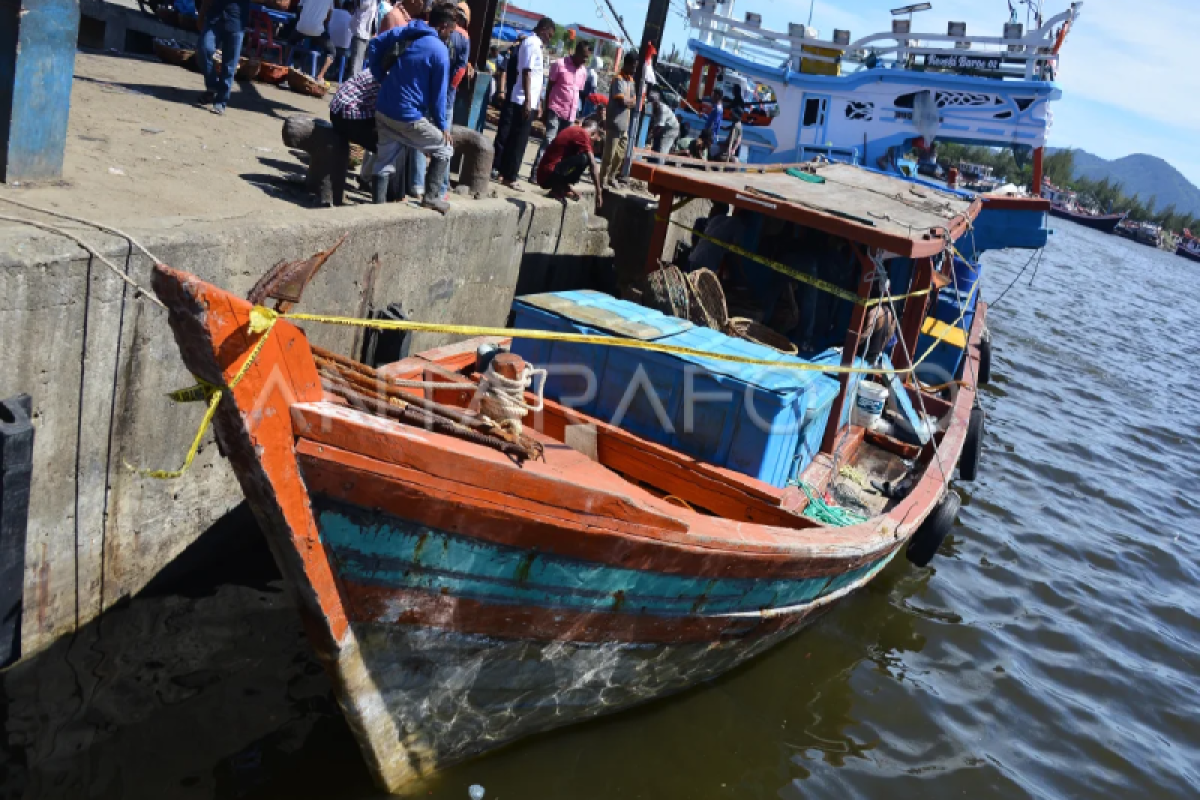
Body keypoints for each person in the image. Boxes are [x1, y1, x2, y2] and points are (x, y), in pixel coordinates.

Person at [368, 4, 457, 212]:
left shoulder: (411, 31)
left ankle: (375, 210)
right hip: (406, 115)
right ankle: (432, 197)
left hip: (383, 107)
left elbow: (375, 44)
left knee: (384, 161)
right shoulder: (440, 51)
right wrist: (443, 125)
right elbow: (438, 96)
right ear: (444, 27)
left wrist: (380, 77)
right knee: (444, 148)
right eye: (451, 32)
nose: (450, 36)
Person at [495, 17, 555, 189]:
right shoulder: (532, 44)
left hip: (528, 99)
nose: (549, 39)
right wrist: (529, 100)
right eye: (549, 35)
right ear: (544, 29)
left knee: (515, 138)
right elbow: (527, 72)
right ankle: (510, 176)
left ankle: (505, 173)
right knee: (518, 141)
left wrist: (538, 102)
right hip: (522, 98)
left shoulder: (536, 45)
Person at [530, 40, 592, 180]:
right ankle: (536, 173)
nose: (584, 60)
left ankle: (553, 174)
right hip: (556, 108)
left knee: (565, 146)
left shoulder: (583, 71)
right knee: (549, 140)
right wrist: (546, 108)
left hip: (570, 114)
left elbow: (577, 92)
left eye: (587, 58)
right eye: (583, 56)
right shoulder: (560, 64)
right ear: (576, 52)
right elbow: (549, 86)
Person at [196, 0, 250, 114]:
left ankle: (220, 102)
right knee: (204, 48)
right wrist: (201, 15)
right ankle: (212, 86)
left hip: (236, 22)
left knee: (230, 65)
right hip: (214, 17)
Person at [536, 119, 603, 209]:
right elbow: (593, 164)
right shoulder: (582, 134)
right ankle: (557, 188)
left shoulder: (575, 130)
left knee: (581, 156)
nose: (592, 144)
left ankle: (563, 186)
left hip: (546, 175)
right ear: (593, 133)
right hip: (548, 175)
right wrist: (599, 193)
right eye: (594, 141)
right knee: (585, 158)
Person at [599, 52, 637, 187]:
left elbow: (634, 101)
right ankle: (602, 178)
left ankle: (611, 176)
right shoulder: (618, 79)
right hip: (614, 123)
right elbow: (622, 101)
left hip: (624, 125)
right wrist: (629, 101)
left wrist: (630, 101)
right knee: (609, 155)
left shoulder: (631, 81)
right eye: (633, 66)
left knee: (620, 155)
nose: (634, 70)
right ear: (626, 64)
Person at [688, 204, 747, 276]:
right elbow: (735, 250)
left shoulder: (719, 218)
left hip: (696, 256)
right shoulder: (739, 226)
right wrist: (742, 272)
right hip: (707, 262)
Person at [647, 89, 680, 161]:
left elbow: (659, 126)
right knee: (654, 148)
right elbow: (652, 124)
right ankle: (650, 165)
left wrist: (651, 136)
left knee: (662, 150)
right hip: (662, 129)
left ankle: (659, 167)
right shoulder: (652, 108)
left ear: (656, 102)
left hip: (671, 130)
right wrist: (650, 134)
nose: (650, 104)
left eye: (652, 102)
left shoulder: (662, 109)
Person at [326, 0, 354, 81]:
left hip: (329, 45)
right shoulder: (351, 18)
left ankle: (330, 72)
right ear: (351, 9)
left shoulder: (333, 12)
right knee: (351, 54)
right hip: (343, 51)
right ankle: (341, 76)